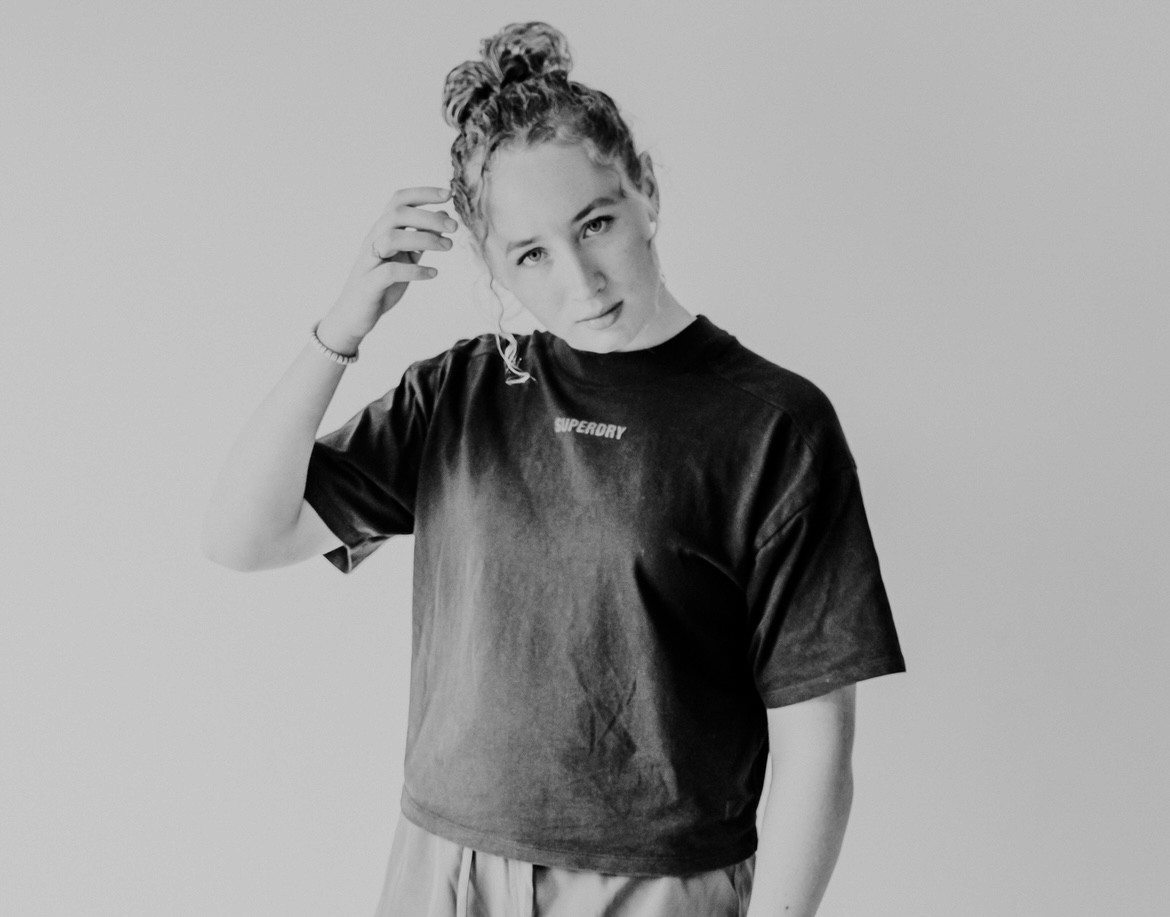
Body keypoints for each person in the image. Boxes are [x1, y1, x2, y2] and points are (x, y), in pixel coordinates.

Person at [202, 21, 905, 917]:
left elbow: (816, 751)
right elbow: (245, 535)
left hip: (655, 885)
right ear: (492, 265)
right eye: (531, 254)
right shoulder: (463, 394)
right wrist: (344, 324)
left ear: (645, 190)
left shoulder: (774, 426)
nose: (581, 280)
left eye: (596, 224)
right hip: (443, 869)